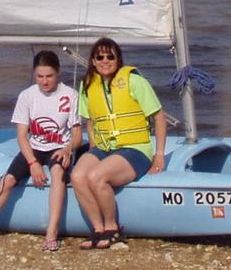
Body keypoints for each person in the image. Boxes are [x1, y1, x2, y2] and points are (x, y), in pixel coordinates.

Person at [0, 50, 81, 252]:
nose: (44, 82)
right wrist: (33, 164)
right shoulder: (27, 95)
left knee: (57, 172)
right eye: (40, 77)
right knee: (8, 180)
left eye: (49, 76)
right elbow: (21, 136)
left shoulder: (70, 95)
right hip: (34, 148)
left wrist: (67, 148)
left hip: (59, 148)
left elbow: (77, 136)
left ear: (58, 73)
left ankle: (51, 232)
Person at [71, 36, 166, 250]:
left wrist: (159, 154)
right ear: (93, 61)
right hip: (105, 147)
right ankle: (97, 229)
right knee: (77, 176)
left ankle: (113, 229)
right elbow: (90, 121)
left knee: (96, 176)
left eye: (110, 56)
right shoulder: (88, 85)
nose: (105, 60)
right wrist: (94, 146)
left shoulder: (135, 81)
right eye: (100, 56)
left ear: (118, 59)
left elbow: (159, 117)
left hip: (135, 149)